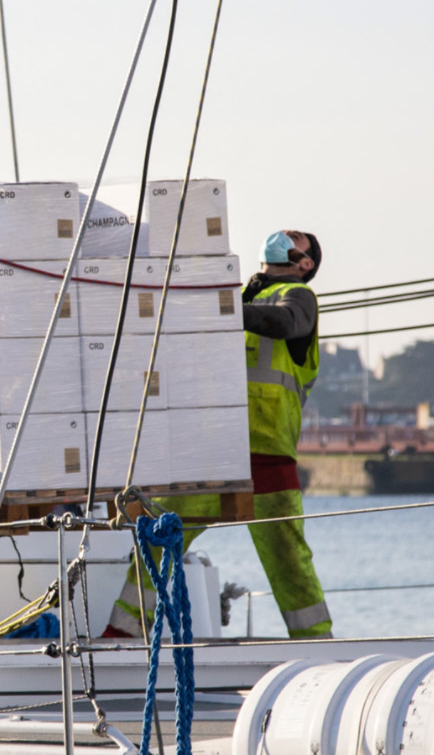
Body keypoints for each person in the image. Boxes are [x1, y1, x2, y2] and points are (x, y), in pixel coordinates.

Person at [106, 229, 332, 639]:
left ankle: (317, 643)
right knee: (160, 532)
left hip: (265, 452)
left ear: (305, 263)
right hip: (211, 450)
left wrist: (220, 305)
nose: (283, 235)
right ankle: (123, 630)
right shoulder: (234, 297)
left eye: (295, 237)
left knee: (287, 559)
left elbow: (285, 323)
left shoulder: (299, 297)